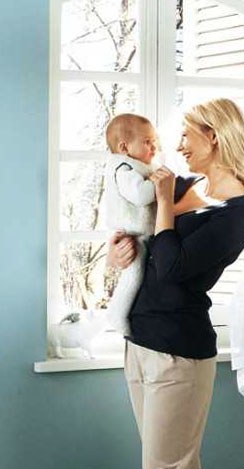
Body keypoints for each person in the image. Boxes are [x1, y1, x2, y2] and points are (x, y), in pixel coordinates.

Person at [107, 99, 244, 469]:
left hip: (179, 352)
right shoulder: (187, 187)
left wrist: (165, 211)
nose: (177, 146)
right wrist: (120, 252)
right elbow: (147, 247)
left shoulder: (238, 210)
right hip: (142, 343)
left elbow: (172, 269)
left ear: (214, 136)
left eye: (188, 135)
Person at [79, 113, 160, 355]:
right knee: (133, 276)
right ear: (124, 147)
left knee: (138, 275)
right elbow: (141, 196)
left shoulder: (138, 167)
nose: (154, 147)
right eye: (147, 141)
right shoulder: (123, 169)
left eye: (155, 141)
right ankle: (117, 314)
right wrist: (159, 183)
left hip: (141, 235)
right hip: (132, 235)